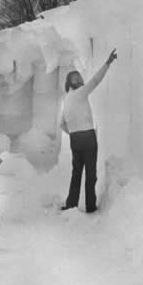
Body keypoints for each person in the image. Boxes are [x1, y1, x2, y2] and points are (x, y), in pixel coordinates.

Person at [59, 48, 118, 213]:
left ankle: (71, 203)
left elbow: (61, 124)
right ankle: (90, 205)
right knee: (90, 173)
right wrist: (107, 63)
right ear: (72, 83)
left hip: (75, 140)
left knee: (76, 172)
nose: (79, 79)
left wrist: (72, 132)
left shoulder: (67, 100)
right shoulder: (80, 93)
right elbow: (96, 80)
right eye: (76, 78)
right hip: (87, 137)